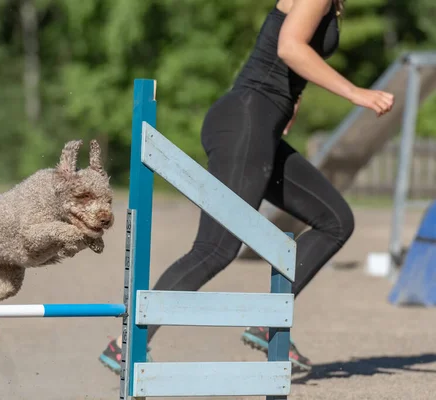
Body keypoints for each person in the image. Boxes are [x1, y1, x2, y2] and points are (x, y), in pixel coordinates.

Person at [98, 0, 395, 373]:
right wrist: (355, 93)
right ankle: (126, 343)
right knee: (215, 249)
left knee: (335, 220)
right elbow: (289, 46)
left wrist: (294, 98)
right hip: (245, 122)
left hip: (258, 127)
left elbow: (287, 53)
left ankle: (271, 325)